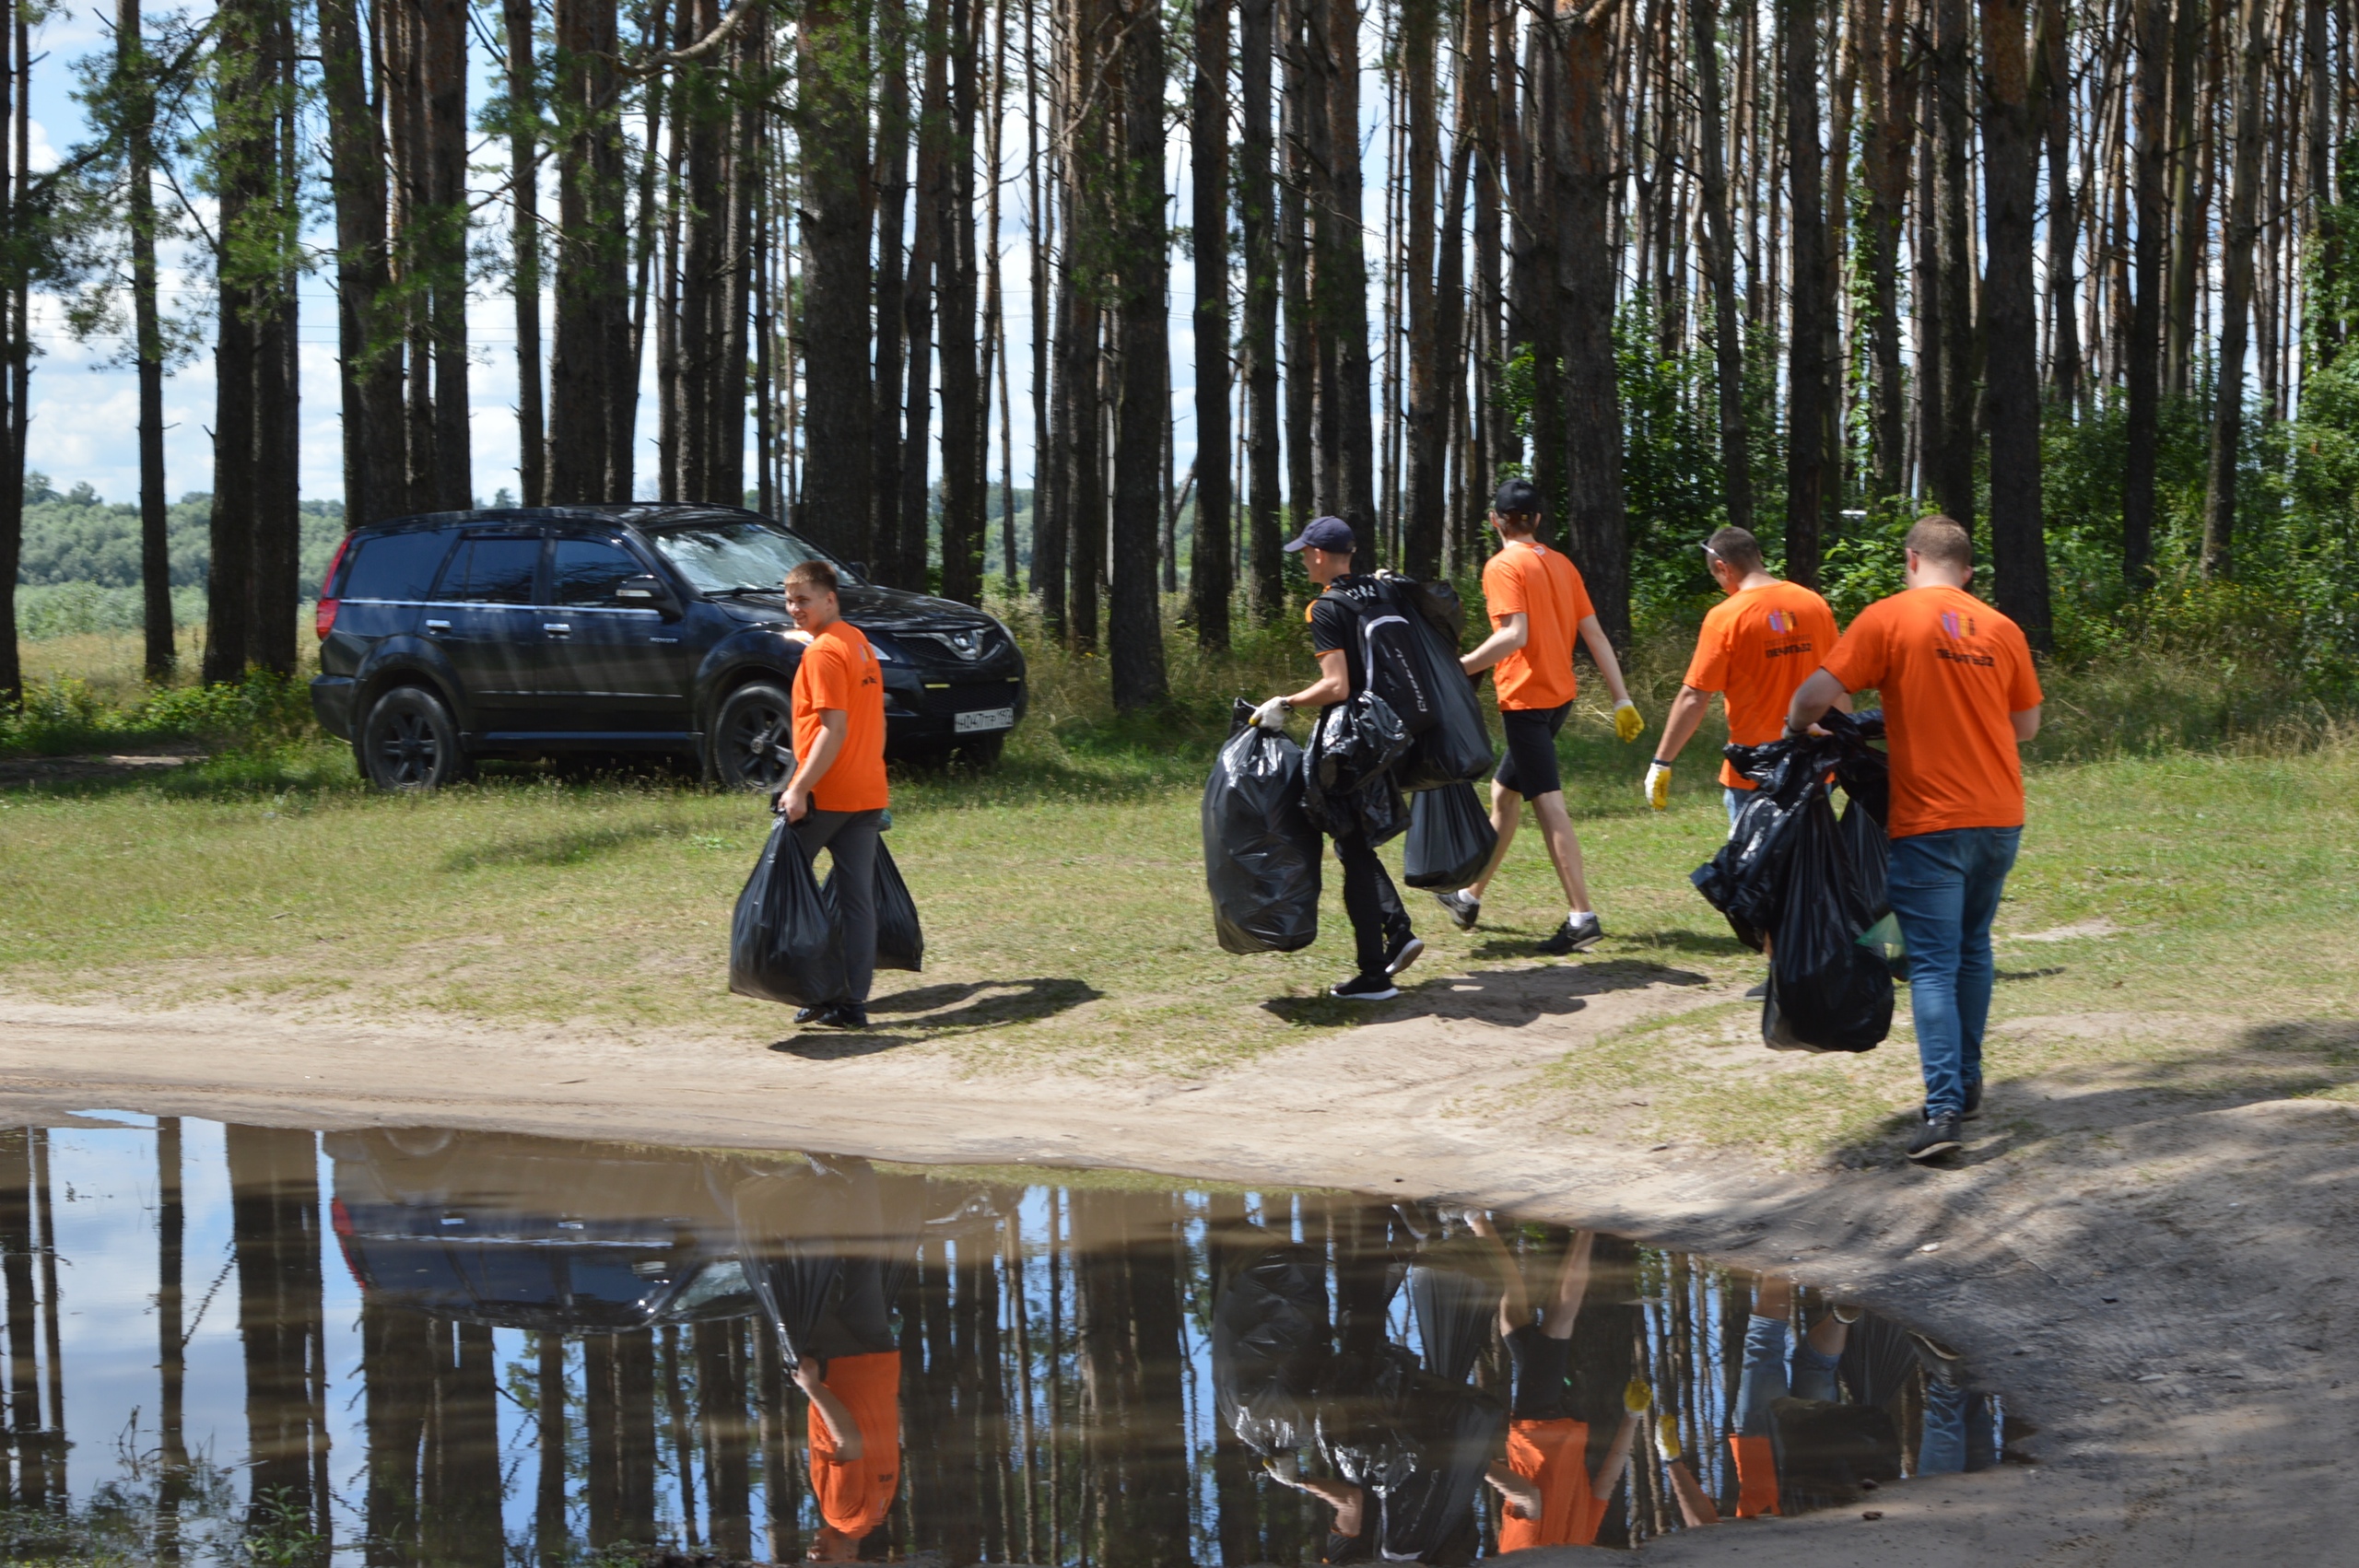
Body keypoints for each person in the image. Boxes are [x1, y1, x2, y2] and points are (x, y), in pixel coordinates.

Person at [1786, 515, 2043, 1163]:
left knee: (1931, 962)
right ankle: (1970, 1081)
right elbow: (2028, 724)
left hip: (1932, 819)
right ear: (1968, 572)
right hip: (2000, 816)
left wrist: (1800, 725)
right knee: (1972, 947)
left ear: (1910, 561)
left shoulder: (1889, 619)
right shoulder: (2003, 628)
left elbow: (1815, 696)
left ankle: (1944, 1108)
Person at [1436, 479, 1644, 955]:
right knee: (1504, 794)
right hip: (1559, 698)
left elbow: (1513, 636)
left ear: (1496, 520)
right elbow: (1593, 633)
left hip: (1527, 701)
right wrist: (1620, 698)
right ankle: (1469, 897)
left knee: (1548, 803)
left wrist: (1456, 667)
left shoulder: (1503, 565)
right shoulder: (1561, 564)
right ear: (1538, 520)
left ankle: (1582, 917)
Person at [1252, 515, 1423, 1001]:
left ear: (1323, 556)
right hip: (1392, 729)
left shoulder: (1325, 607)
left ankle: (1375, 973)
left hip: (1354, 740)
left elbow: (1337, 685)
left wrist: (1284, 704)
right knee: (1353, 846)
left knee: (1352, 845)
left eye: (1306, 552)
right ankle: (1396, 933)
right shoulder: (1379, 591)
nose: (1303, 559)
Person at [1462, 1219, 1649, 1550]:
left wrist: (1632, 1417)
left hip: (1570, 1423)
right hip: (1539, 1428)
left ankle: (1481, 1226)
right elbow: (1528, 1496)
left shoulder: (1582, 1543)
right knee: (1558, 1321)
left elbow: (1608, 1480)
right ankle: (1586, 1226)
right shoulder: (1524, 1556)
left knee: (1513, 1320)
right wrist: (1467, 1458)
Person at [1648, 526, 1842, 831]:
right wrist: (1843, 743)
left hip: (1754, 772)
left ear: (1723, 568)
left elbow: (1694, 696)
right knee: (1809, 869)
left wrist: (1662, 762)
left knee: (1755, 872)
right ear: (1759, 557)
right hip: (1813, 764)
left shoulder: (1726, 616)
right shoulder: (1814, 604)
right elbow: (1836, 681)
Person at [776, 559, 890, 1030]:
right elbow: (874, 720)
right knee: (857, 901)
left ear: (830, 598)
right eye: (789, 600)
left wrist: (799, 788)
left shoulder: (823, 653)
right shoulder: (858, 643)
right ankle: (851, 1002)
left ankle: (811, 986)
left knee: (784, 890)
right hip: (867, 790)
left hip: (827, 793)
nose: (794, 608)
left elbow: (833, 729)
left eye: (804, 600)